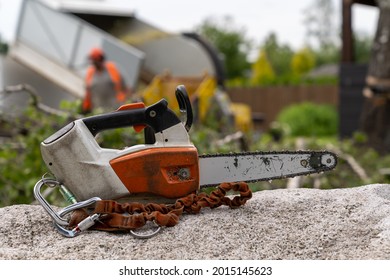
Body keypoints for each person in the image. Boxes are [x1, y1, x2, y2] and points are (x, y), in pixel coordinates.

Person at [82, 47, 128, 113]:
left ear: (101, 59)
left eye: (96, 59)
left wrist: (125, 102)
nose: (95, 62)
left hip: (115, 109)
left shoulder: (113, 68)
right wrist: (86, 108)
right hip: (98, 111)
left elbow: (125, 88)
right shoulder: (90, 73)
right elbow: (88, 92)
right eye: (93, 60)